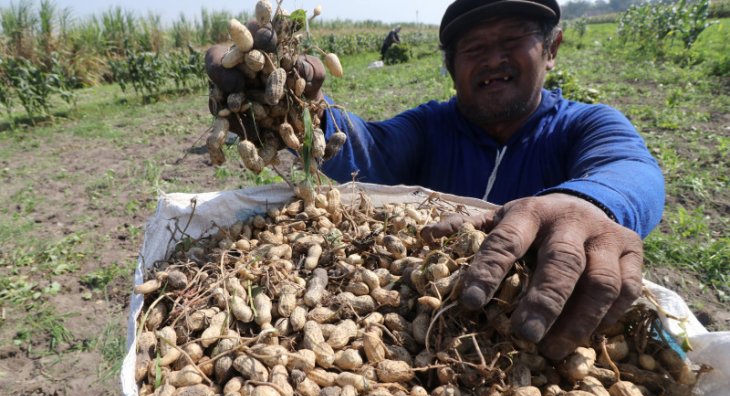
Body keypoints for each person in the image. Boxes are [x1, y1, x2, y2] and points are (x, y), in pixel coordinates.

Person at [205, 0, 664, 362]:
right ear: (450, 66)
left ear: (552, 48)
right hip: (421, 321)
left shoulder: (586, 125)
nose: (493, 59)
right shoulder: (431, 128)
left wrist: (586, 203)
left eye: (513, 39)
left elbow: (633, 173)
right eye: (474, 49)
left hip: (536, 323)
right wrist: (298, 108)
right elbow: (367, 148)